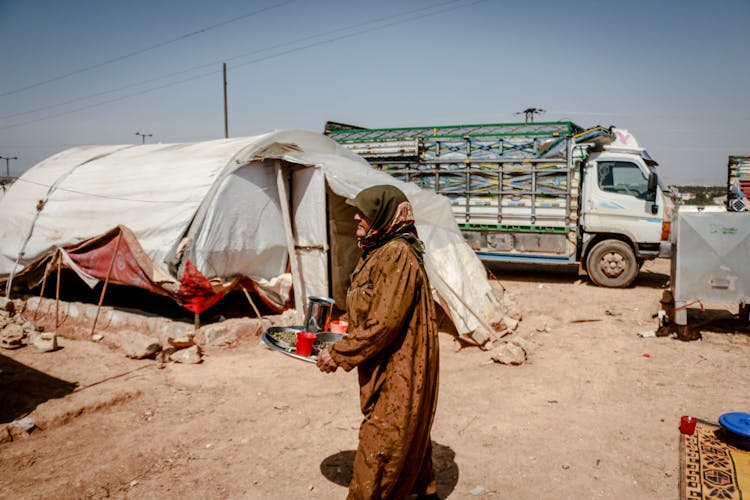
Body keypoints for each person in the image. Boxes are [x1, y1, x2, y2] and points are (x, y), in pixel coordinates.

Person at [317, 185, 440, 500]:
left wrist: (340, 353)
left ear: (384, 216)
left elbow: (384, 322)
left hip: (402, 363)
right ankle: (421, 492)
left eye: (366, 212)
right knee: (405, 431)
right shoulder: (378, 249)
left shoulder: (396, 253)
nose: (357, 216)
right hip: (387, 358)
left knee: (382, 439)